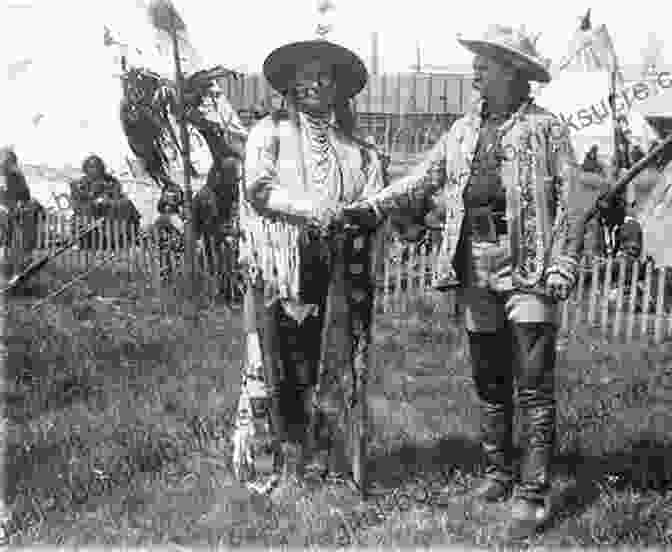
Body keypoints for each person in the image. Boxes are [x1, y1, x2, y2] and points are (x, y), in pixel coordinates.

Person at [345, 24, 586, 539]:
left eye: (485, 62)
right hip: (473, 260)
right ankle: (498, 473)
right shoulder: (460, 131)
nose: (475, 71)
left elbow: (573, 200)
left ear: (514, 73)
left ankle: (533, 493)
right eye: (476, 61)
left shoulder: (547, 129)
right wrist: (369, 207)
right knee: (488, 375)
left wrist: (564, 260)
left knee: (534, 380)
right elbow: (423, 178)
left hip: (530, 263)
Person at [232, 38, 386, 494]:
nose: (314, 84)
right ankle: (279, 461)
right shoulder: (268, 133)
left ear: (338, 88)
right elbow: (257, 188)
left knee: (332, 366)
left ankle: (326, 460)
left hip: (338, 271)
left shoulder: (359, 151)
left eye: (324, 76)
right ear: (291, 84)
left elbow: (373, 203)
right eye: (306, 76)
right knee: (282, 362)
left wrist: (354, 215)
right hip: (283, 269)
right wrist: (308, 208)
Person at [69, 155, 140, 249]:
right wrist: (93, 199)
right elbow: (77, 206)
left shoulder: (111, 181)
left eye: (97, 166)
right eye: (91, 166)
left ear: (101, 168)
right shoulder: (78, 184)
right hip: (89, 218)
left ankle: (127, 239)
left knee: (127, 205)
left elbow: (118, 196)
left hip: (110, 214)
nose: (94, 169)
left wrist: (108, 201)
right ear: (85, 168)